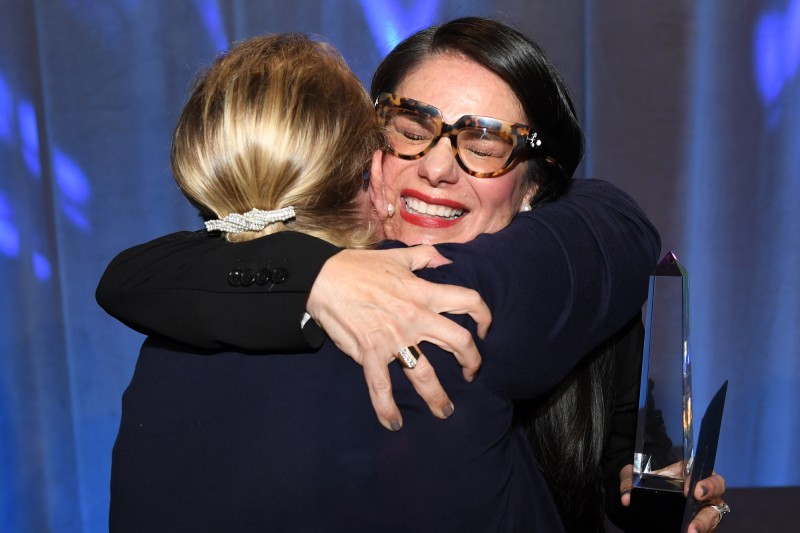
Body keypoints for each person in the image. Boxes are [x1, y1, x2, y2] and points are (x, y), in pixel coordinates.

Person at [97, 19, 727, 532]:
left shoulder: (578, 291)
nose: (436, 168)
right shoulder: (226, 298)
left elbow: (620, 468)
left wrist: (653, 500)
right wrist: (321, 274)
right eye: (411, 130)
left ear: (535, 188)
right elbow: (142, 272)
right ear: (364, 152)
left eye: (483, 145)